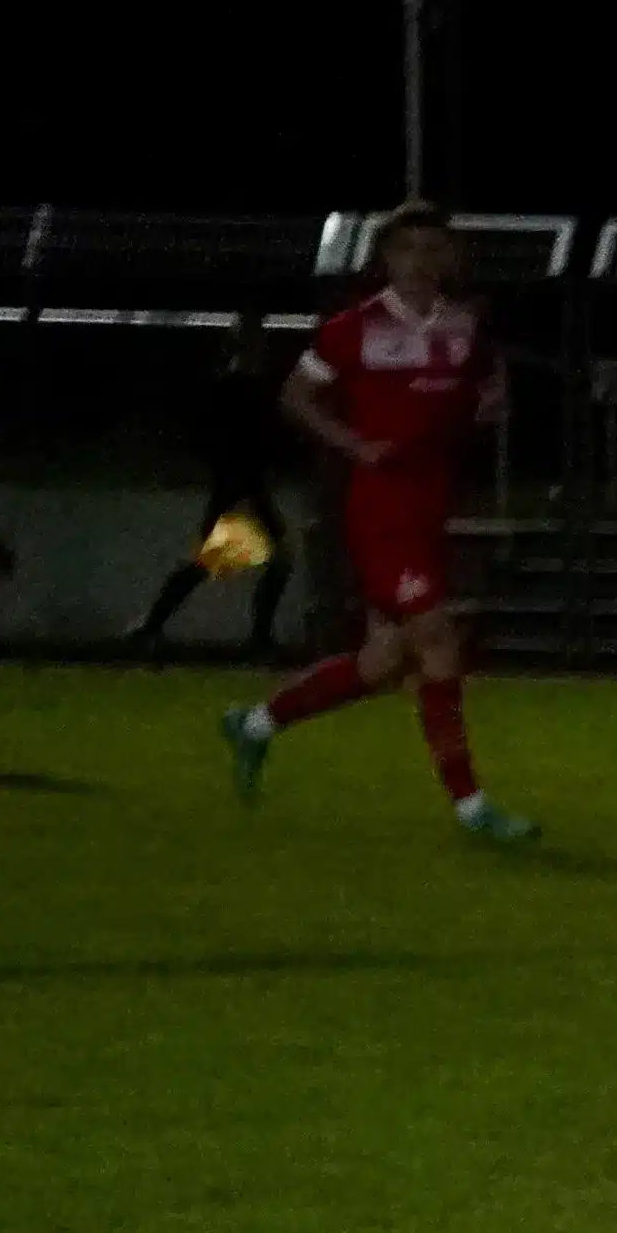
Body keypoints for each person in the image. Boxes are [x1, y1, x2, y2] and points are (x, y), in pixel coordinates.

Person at [219, 201, 532, 844]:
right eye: (406, 249)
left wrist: (490, 404)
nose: (420, 261)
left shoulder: (462, 331)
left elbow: (475, 402)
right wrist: (356, 446)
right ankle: (472, 807)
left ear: (448, 258)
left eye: (432, 249)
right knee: (440, 640)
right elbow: (295, 397)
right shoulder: (351, 328)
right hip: (381, 512)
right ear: (386, 258)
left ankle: (254, 724)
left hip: (430, 511)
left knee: (383, 663)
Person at [128, 324, 305, 656]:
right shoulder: (242, 390)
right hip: (242, 487)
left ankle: (153, 625)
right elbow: (244, 444)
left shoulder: (235, 388)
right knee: (240, 560)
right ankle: (256, 637)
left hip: (240, 485)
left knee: (222, 561)